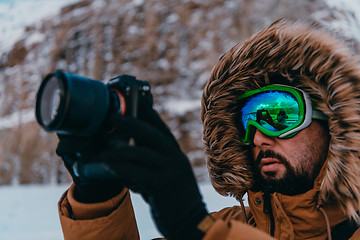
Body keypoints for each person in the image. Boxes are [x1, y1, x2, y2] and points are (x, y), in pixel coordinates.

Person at [56, 18, 360, 239]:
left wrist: (197, 230)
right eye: (247, 119)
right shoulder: (223, 227)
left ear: (334, 122)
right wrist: (96, 201)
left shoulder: (207, 230)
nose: (257, 136)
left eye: (281, 114)